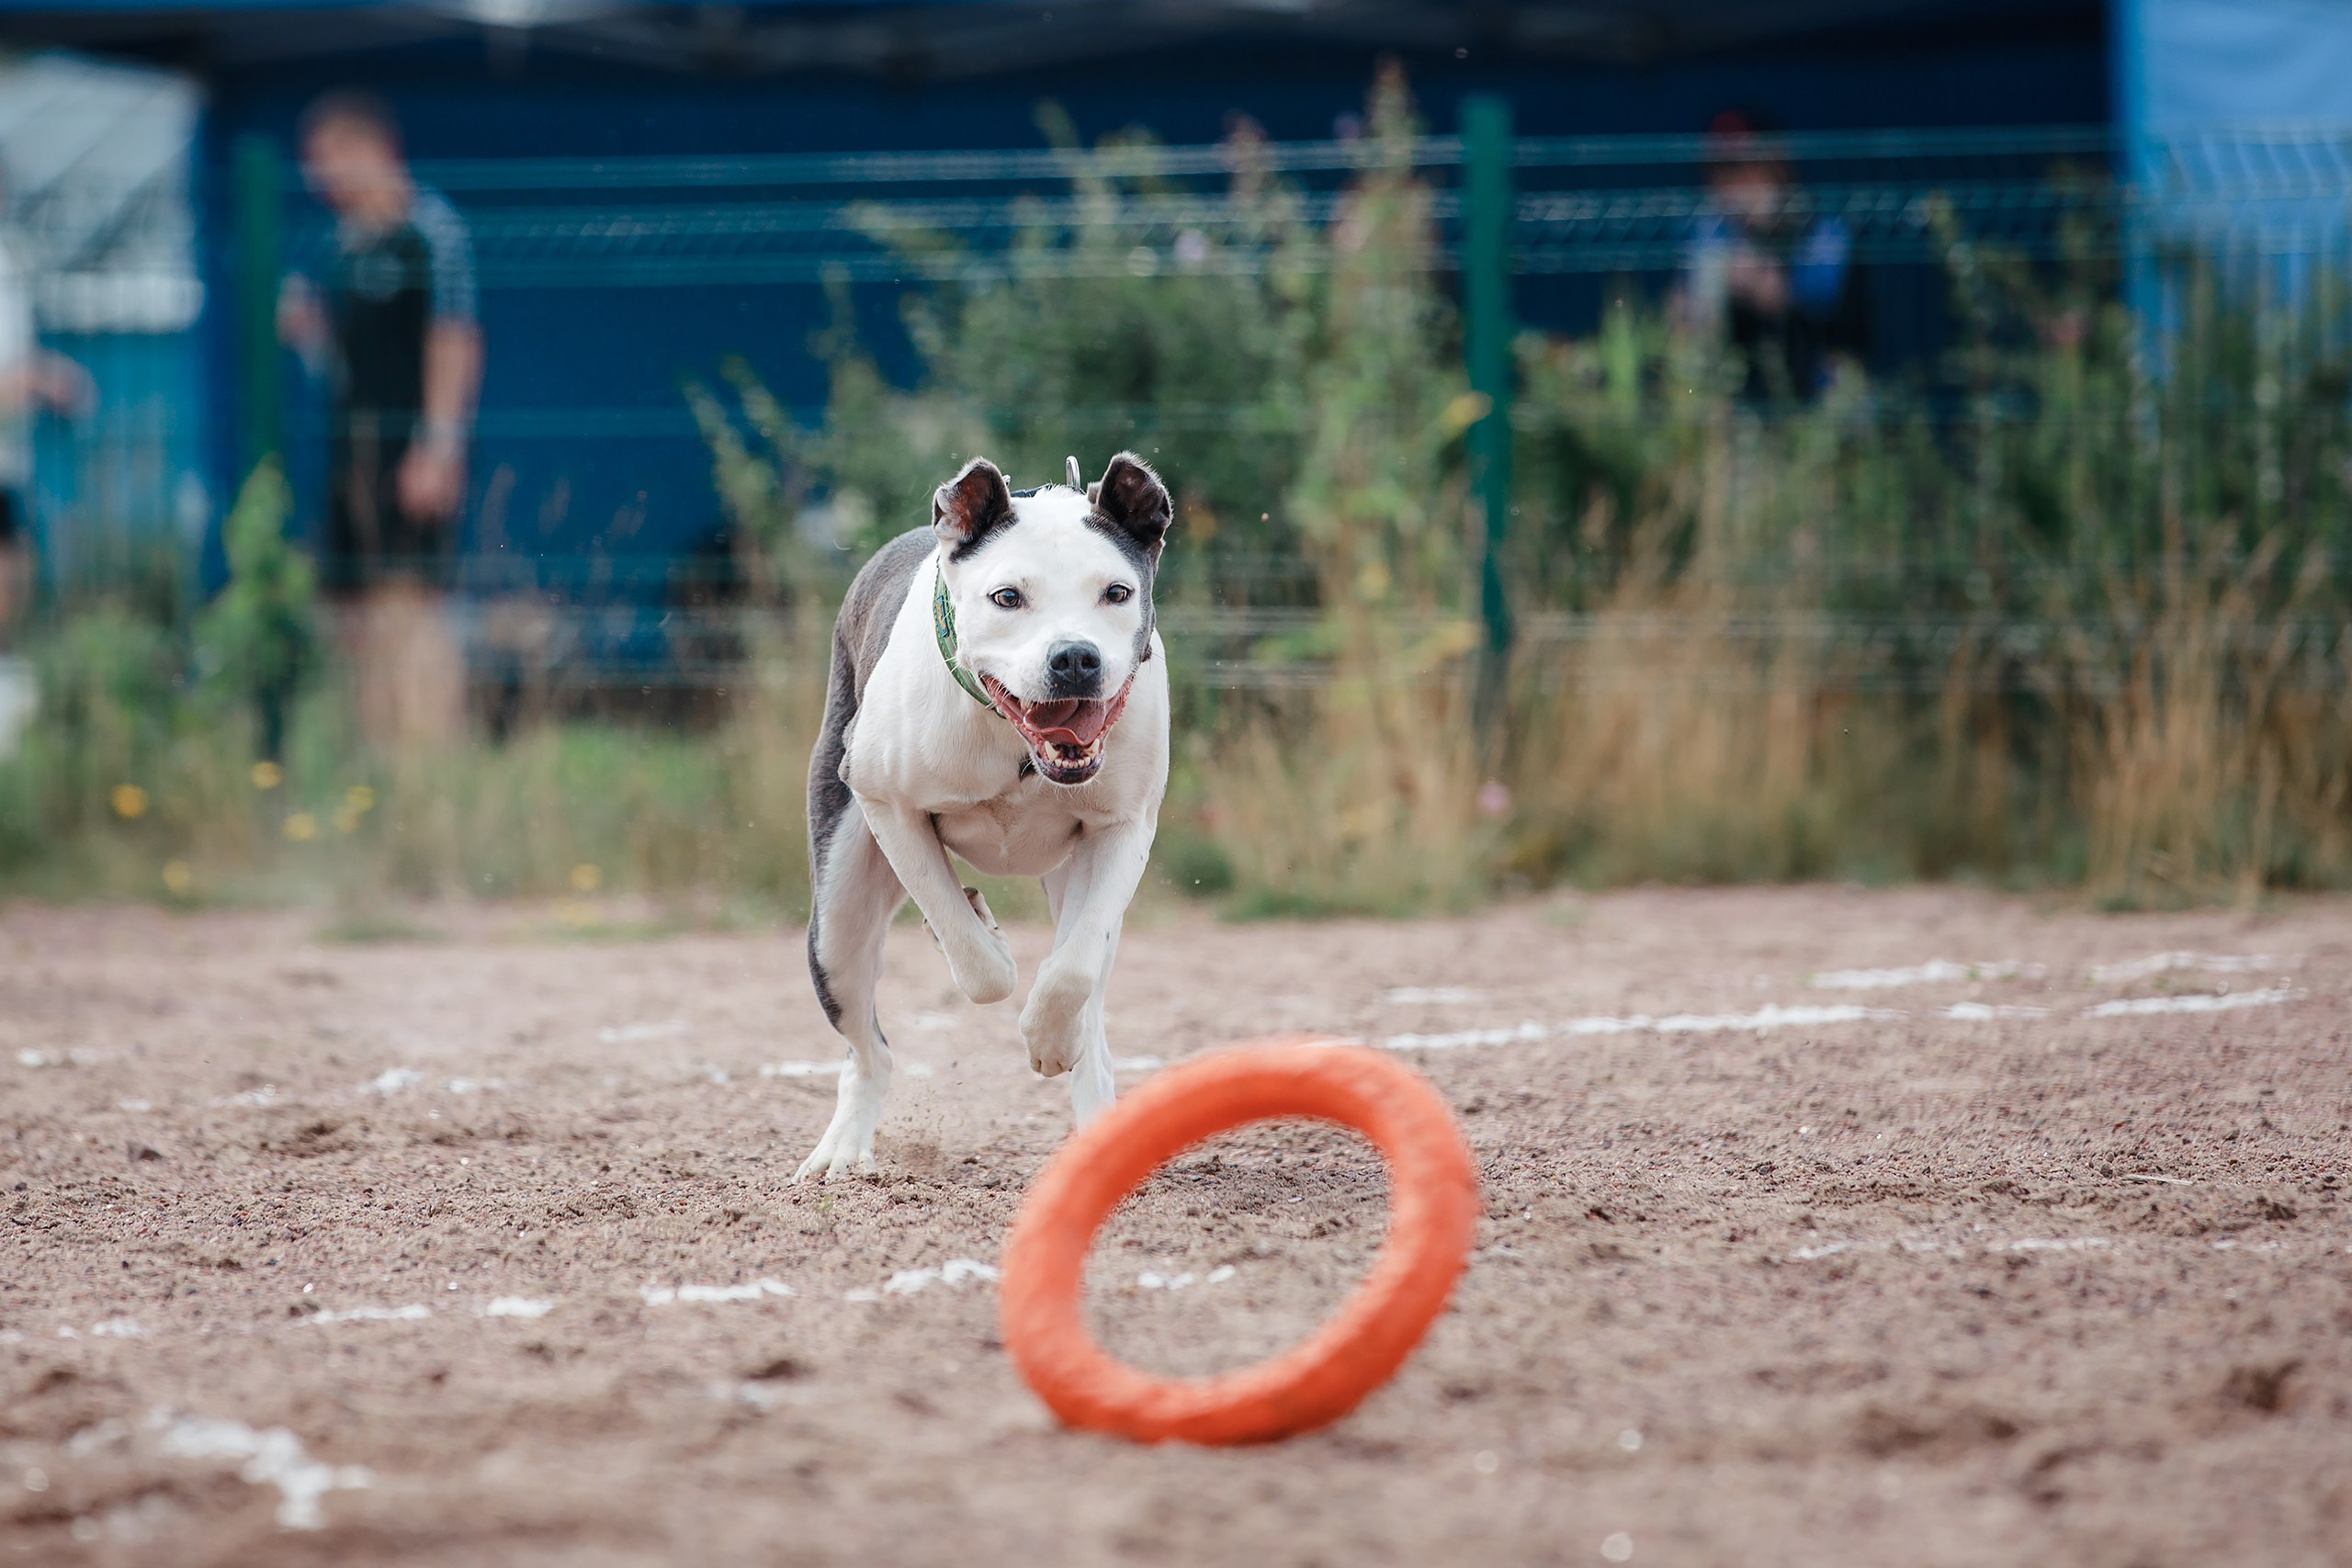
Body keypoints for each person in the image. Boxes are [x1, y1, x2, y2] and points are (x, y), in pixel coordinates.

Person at [278, 89, 481, 750]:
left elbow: (454, 340)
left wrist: (439, 447)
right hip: (350, 453)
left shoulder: (430, 229)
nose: (321, 180)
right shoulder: (338, 245)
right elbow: (339, 367)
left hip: (411, 450)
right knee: (352, 611)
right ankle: (380, 758)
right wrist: (308, 334)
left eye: (330, 161)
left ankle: (430, 757)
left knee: (410, 605)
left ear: (373, 151)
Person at [1679, 110, 1869, 404]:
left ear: (1778, 165)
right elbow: (1690, 321)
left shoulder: (1826, 234)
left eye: (1742, 168)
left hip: (1821, 397)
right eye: (1718, 170)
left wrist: (1775, 292)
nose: (1729, 186)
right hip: (1744, 406)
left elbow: (1842, 327)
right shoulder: (1713, 233)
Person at [0, 164, 92, 654]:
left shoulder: (12, 263)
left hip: (8, 455)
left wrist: (43, 376)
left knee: (15, 559)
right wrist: (32, 380)